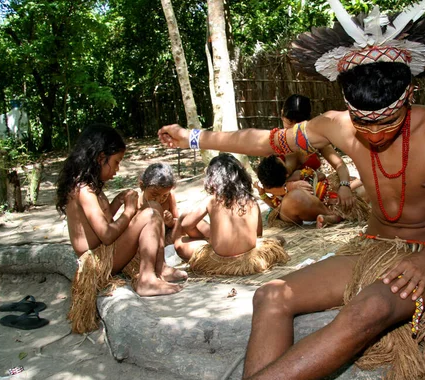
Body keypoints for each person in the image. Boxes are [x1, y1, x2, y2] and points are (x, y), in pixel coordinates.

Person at [158, 1, 425, 380]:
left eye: (386, 121)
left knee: (369, 310)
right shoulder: (336, 126)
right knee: (271, 296)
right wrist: (193, 136)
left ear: (410, 92)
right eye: (363, 122)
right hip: (370, 247)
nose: (373, 134)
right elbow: (263, 140)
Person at [56, 123, 186, 334]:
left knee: (153, 208)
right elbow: (106, 235)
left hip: (104, 253)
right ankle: (146, 279)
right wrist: (129, 210)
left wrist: (116, 203)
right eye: (115, 163)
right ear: (100, 158)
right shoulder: (83, 190)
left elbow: (101, 221)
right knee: (151, 212)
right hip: (98, 260)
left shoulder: (88, 186)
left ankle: (158, 269)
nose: (117, 169)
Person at [256, 94, 368, 228]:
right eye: (289, 123)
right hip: (294, 201)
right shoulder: (276, 143)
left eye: (298, 124)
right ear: (282, 116)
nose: (293, 129)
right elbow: (265, 185)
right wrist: (287, 187)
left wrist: (344, 186)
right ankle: (336, 215)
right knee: (296, 197)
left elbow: (339, 165)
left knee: (364, 186)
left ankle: (333, 214)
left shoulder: (314, 138)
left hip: (321, 194)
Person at [172, 153, 289, 276]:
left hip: (219, 260)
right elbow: (258, 235)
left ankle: (208, 243)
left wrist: (203, 239)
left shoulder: (212, 199)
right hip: (250, 258)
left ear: (213, 180)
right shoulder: (251, 201)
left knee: (180, 242)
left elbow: (186, 224)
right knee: (278, 240)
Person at [138, 162, 179, 244]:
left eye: (164, 196)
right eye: (154, 194)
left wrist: (171, 222)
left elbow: (178, 221)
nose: (159, 200)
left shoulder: (170, 196)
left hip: (165, 237)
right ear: (142, 186)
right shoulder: (137, 202)